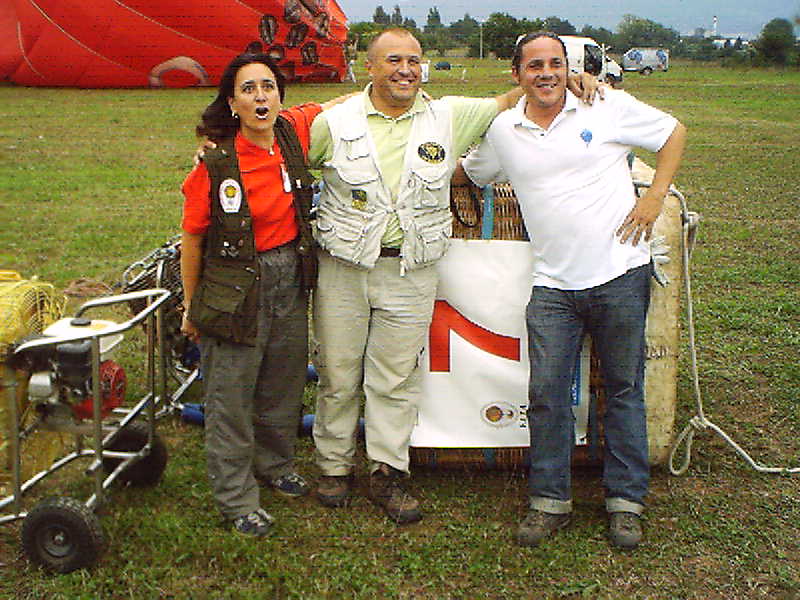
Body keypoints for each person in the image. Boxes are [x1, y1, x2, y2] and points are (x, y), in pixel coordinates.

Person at [306, 27, 602, 525]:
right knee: (337, 374)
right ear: (370, 67)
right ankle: (333, 467)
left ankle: (387, 471)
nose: (405, 70)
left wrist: (576, 82)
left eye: (414, 60)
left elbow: (513, 96)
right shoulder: (333, 122)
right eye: (393, 60)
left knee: (394, 378)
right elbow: (279, 154)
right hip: (343, 267)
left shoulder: (449, 116)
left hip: (411, 269)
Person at [457, 31, 686, 549]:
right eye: (534, 65)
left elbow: (674, 133)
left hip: (621, 274)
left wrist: (654, 197)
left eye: (556, 63)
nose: (547, 73)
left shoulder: (604, 103)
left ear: (570, 68)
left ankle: (625, 503)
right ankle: (549, 501)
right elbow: (468, 174)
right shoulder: (501, 129)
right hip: (552, 286)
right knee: (546, 396)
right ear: (516, 75)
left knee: (624, 392)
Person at [179, 51, 349, 537]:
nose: (261, 97)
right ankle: (235, 497)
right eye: (249, 89)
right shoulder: (214, 165)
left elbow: (346, 101)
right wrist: (193, 307)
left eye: (268, 87)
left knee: (284, 376)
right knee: (231, 392)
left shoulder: (292, 132)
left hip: (290, 273)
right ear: (232, 102)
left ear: (280, 96)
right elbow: (192, 238)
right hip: (233, 284)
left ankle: (274, 464)